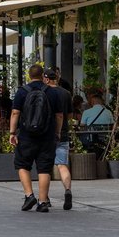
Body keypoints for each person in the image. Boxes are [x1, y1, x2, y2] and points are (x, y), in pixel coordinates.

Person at [9, 64, 63, 213]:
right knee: (44, 168)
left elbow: (15, 113)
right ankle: (43, 201)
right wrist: (57, 133)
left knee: (22, 164)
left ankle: (29, 195)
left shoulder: (21, 92)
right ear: (43, 76)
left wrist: (12, 133)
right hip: (47, 136)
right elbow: (59, 115)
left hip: (26, 136)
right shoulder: (52, 93)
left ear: (29, 75)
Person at [45, 69, 75, 211]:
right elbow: (69, 116)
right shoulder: (66, 93)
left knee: (44, 167)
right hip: (62, 134)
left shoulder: (44, 92)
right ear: (56, 78)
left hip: (45, 135)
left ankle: (45, 198)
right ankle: (67, 190)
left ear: (46, 79)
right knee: (62, 165)